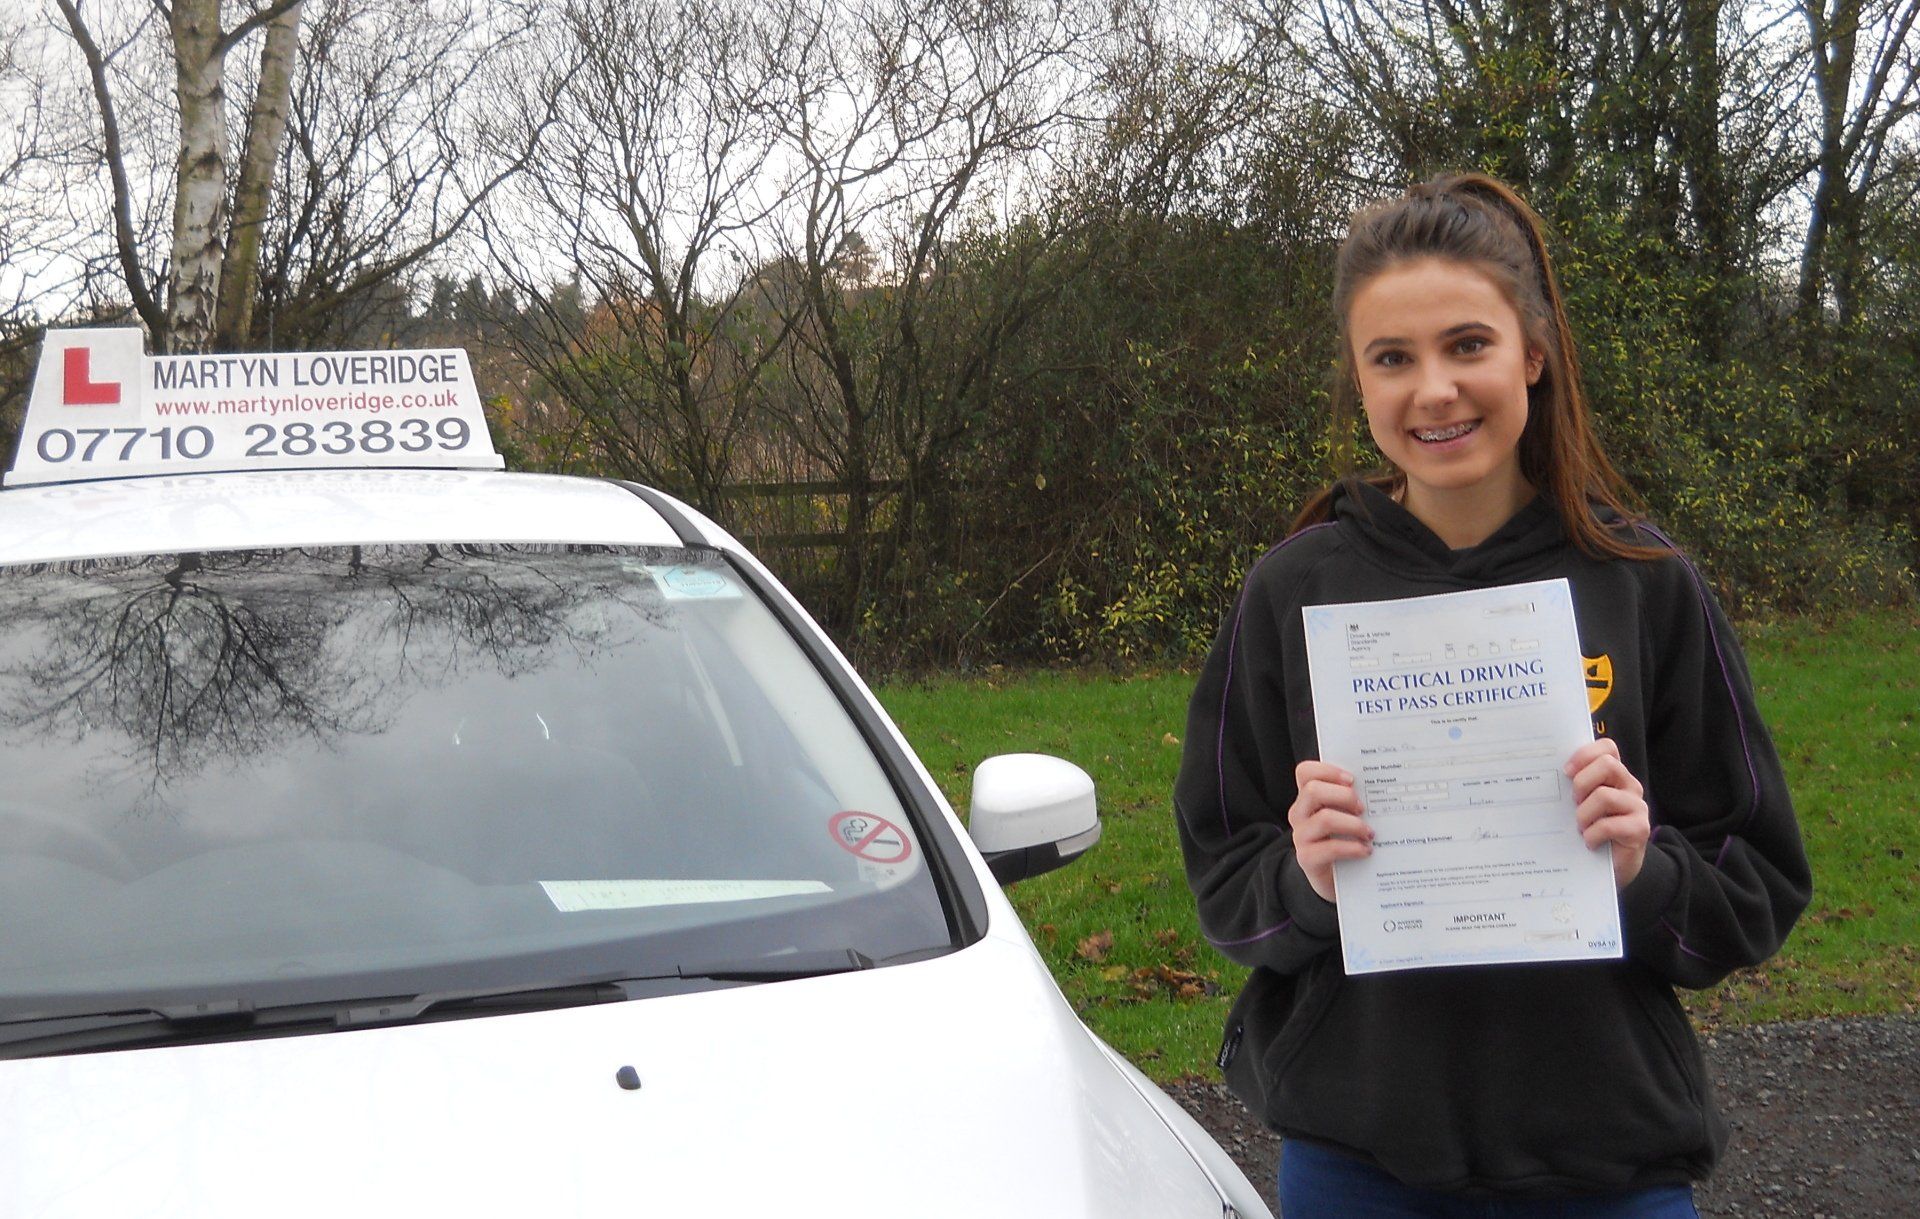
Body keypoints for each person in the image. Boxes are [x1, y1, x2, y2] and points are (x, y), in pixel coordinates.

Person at [1172, 172, 1812, 1217]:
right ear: (1360, 381)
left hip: (1608, 1155)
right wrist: (1306, 881)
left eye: (1468, 345)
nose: (1435, 390)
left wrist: (1643, 870)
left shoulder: (1642, 582)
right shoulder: (1294, 588)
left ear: (1535, 353)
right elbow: (1223, 866)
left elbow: (1760, 879)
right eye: (1394, 358)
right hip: (1359, 1155)